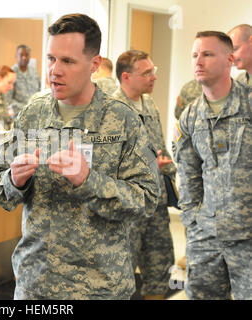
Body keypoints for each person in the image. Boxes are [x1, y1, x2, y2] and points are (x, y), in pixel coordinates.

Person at [0, 13, 160, 300]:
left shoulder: (123, 120)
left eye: (67, 61)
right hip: (36, 284)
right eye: (51, 58)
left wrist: (88, 181)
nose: (54, 70)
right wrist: (14, 181)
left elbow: (147, 200)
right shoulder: (32, 115)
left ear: (94, 64)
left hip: (100, 287)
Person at [174, 31, 251, 300]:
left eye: (207, 54)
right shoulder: (190, 116)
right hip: (205, 237)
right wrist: (192, 220)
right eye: (195, 55)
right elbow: (187, 173)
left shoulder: (249, 103)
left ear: (229, 59)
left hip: (248, 236)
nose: (198, 61)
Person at [113, 50, 176, 300]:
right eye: (147, 72)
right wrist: (147, 166)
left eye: (154, 70)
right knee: (123, 271)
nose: (153, 77)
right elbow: (107, 163)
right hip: (129, 206)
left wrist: (168, 166)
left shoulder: (149, 103)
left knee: (160, 265)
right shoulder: (112, 109)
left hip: (156, 203)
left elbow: (159, 143)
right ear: (126, 77)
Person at [6, 45, 41, 118]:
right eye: (21, 55)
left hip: (35, 113)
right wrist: (25, 107)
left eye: (26, 55)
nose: (24, 57)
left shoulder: (34, 71)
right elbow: (8, 100)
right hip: (18, 115)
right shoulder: (11, 73)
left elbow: (39, 91)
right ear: (16, 56)